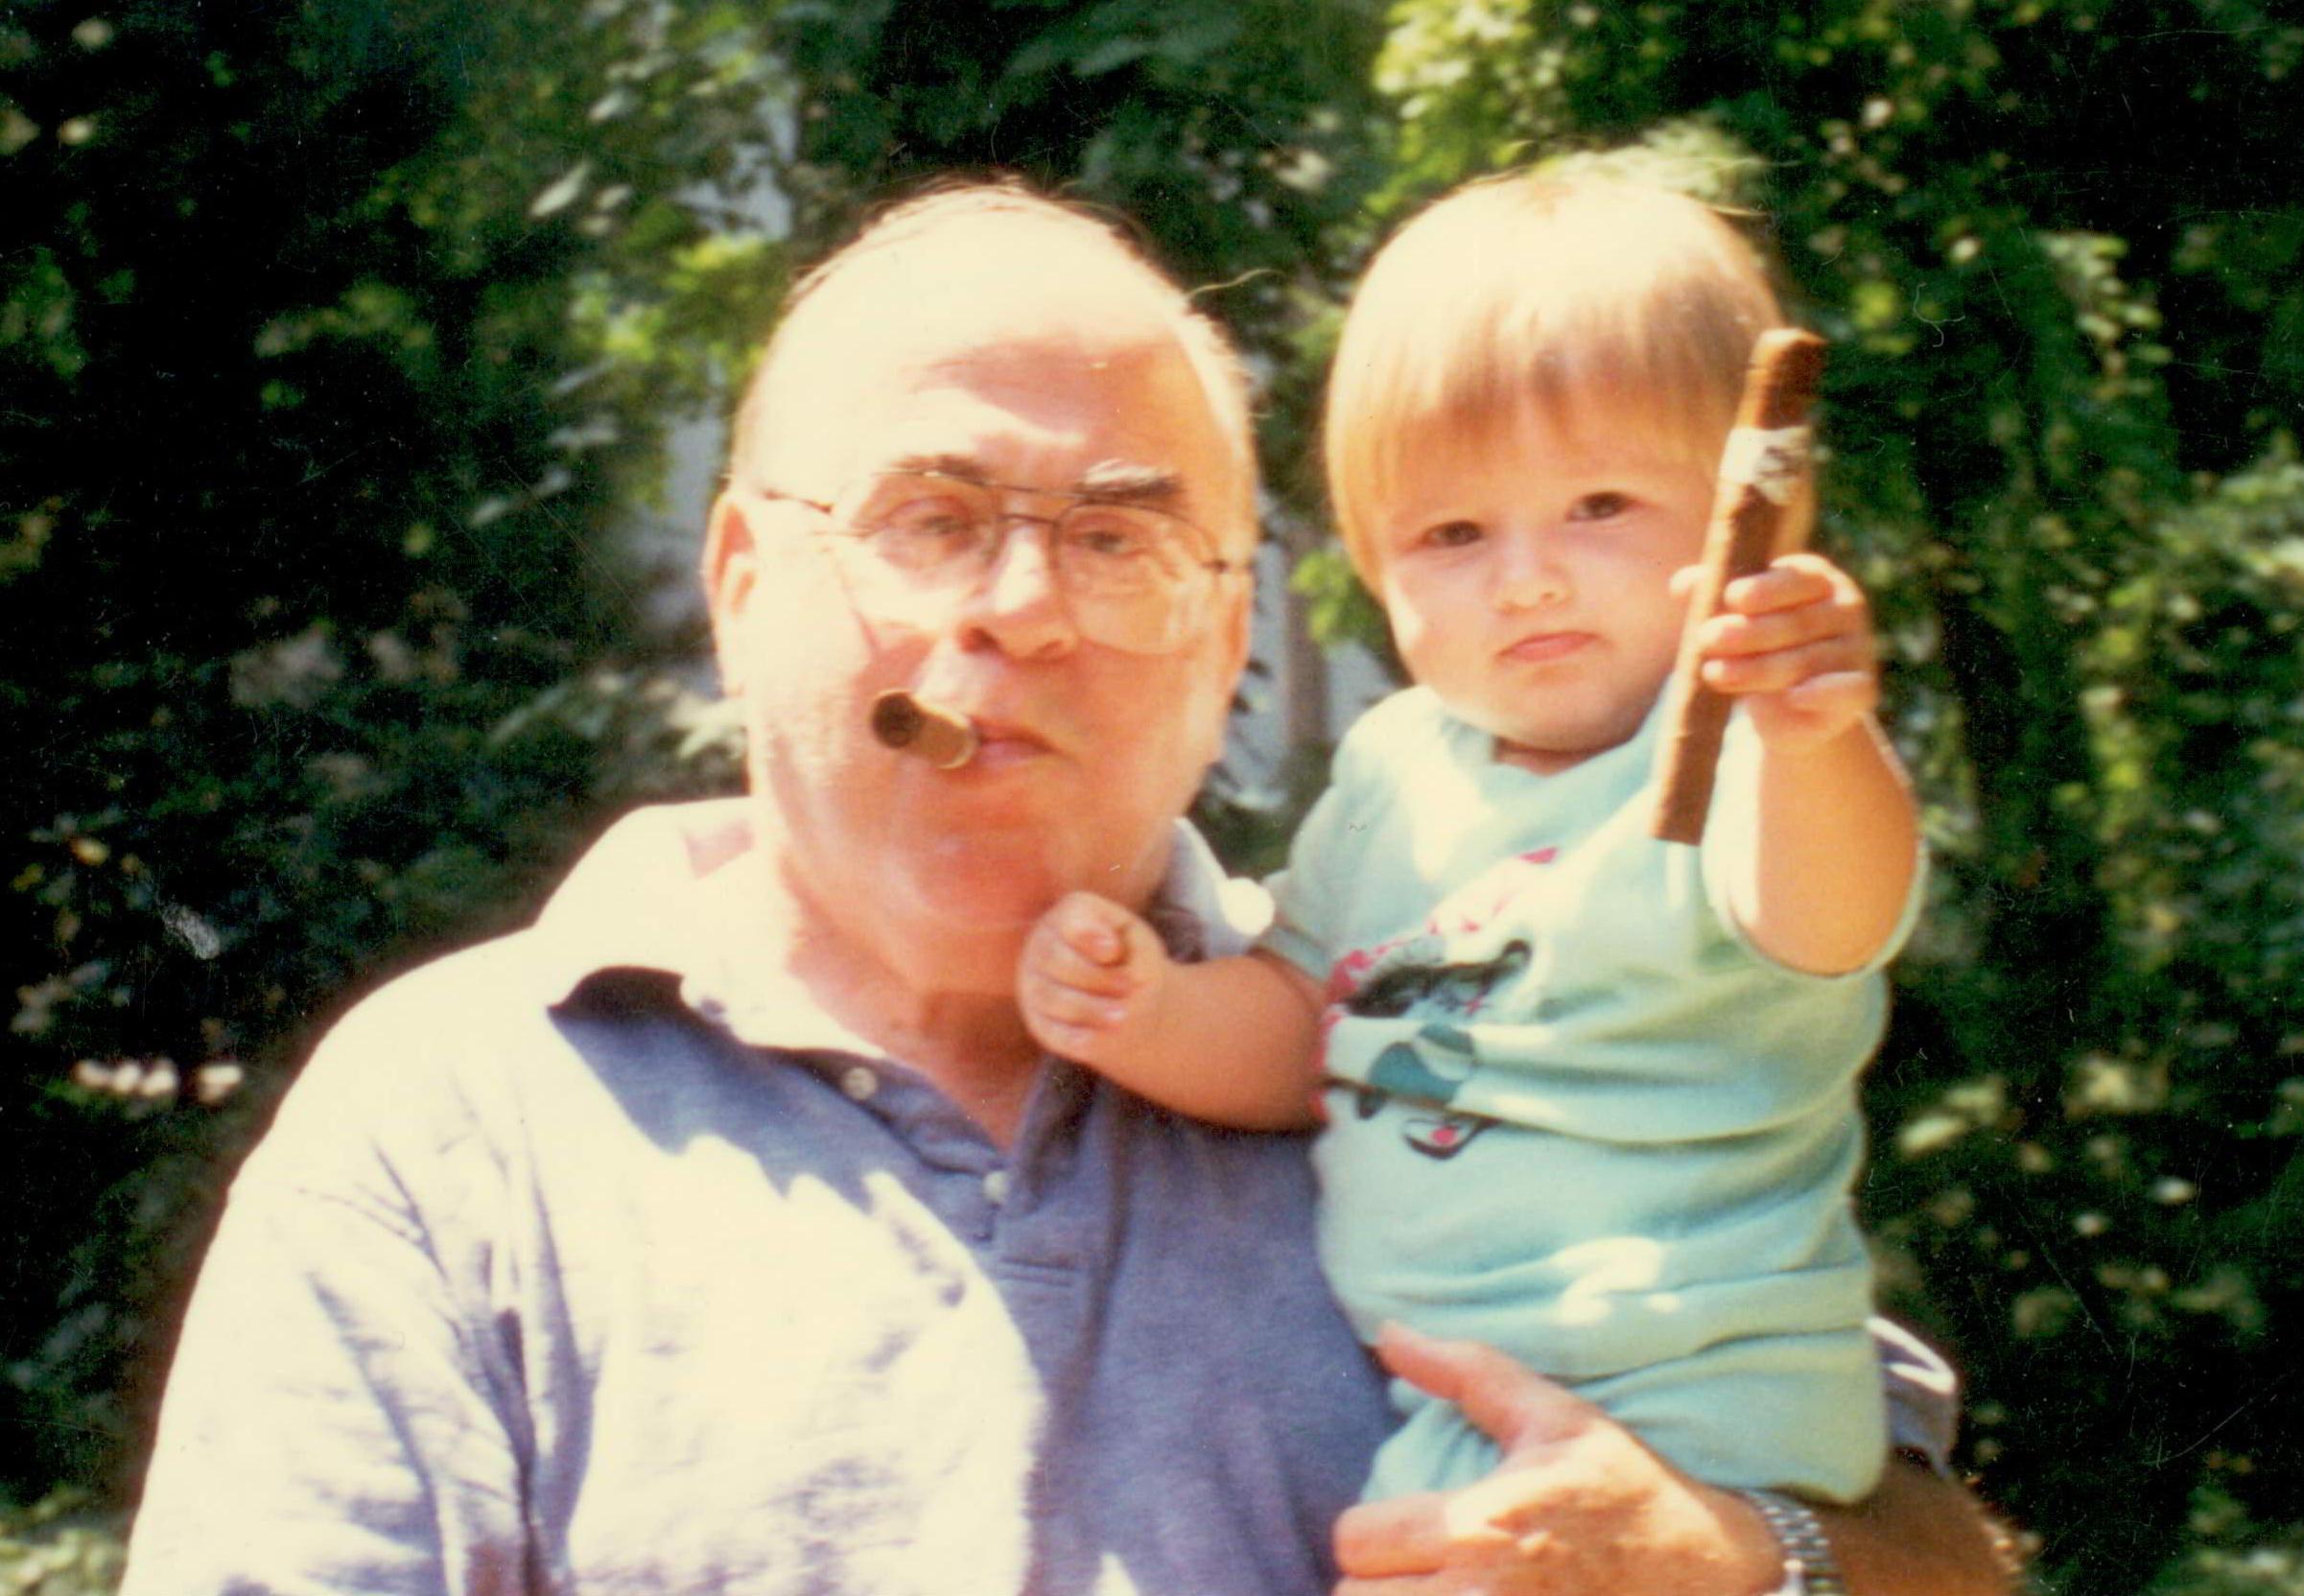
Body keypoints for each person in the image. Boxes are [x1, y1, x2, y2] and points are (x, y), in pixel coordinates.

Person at [122, 179, 2007, 1595]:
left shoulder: (1430, 998)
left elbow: (1935, 1545)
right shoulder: (457, 1126)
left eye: (1116, 538)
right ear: (739, 583)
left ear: (1224, 642)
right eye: (930, 518)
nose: (1015, 612)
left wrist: (1743, 1560)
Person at [1018, 172, 1922, 1511]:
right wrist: (1143, 1015)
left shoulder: (1733, 743)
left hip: (1699, 1401)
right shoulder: (1395, 772)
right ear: (1375, 573)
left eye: (1600, 506)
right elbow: (1304, 1025)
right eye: (1451, 532)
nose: (1527, 577)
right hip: (1455, 1411)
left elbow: (1835, 917)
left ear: (1750, 523)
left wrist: (1812, 728)